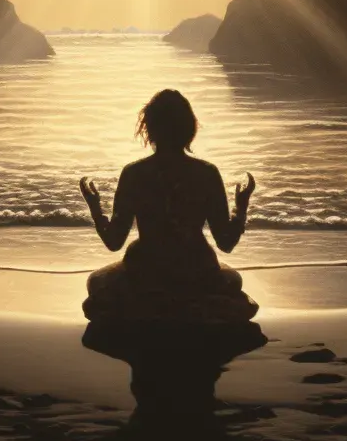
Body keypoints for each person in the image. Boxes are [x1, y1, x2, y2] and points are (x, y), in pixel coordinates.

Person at [78, 89, 258, 325]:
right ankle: (193, 308)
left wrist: (94, 207)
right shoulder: (207, 173)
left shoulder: (134, 173)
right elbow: (226, 242)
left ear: (149, 128)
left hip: (146, 270)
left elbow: (114, 242)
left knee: (96, 282)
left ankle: (152, 309)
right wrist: (241, 207)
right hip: (196, 269)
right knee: (233, 279)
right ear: (189, 129)